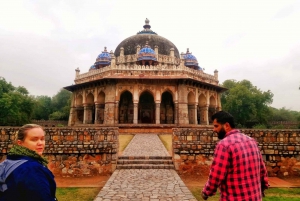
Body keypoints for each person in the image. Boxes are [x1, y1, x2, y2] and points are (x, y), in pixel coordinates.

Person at [201, 111, 269, 200]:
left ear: (226, 125)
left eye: (216, 126)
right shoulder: (251, 141)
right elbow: (262, 169)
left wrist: (207, 192)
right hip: (254, 197)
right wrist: (263, 187)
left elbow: (216, 174)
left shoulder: (224, 145)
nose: (214, 129)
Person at [0, 124, 57, 201]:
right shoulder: (32, 168)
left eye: (42, 139)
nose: (40, 143)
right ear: (20, 143)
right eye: (34, 139)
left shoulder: (10, 161)